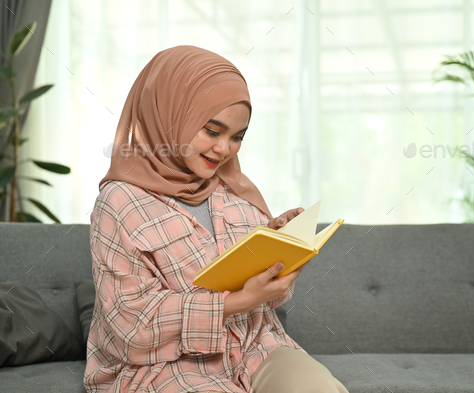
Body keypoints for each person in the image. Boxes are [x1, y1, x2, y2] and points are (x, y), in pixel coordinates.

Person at [83, 45, 349, 393]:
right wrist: (236, 302)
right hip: (163, 365)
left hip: (256, 347)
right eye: (212, 131)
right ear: (169, 115)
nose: (224, 150)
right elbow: (131, 326)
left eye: (237, 137)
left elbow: (264, 294)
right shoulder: (119, 203)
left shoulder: (235, 189)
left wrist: (275, 242)